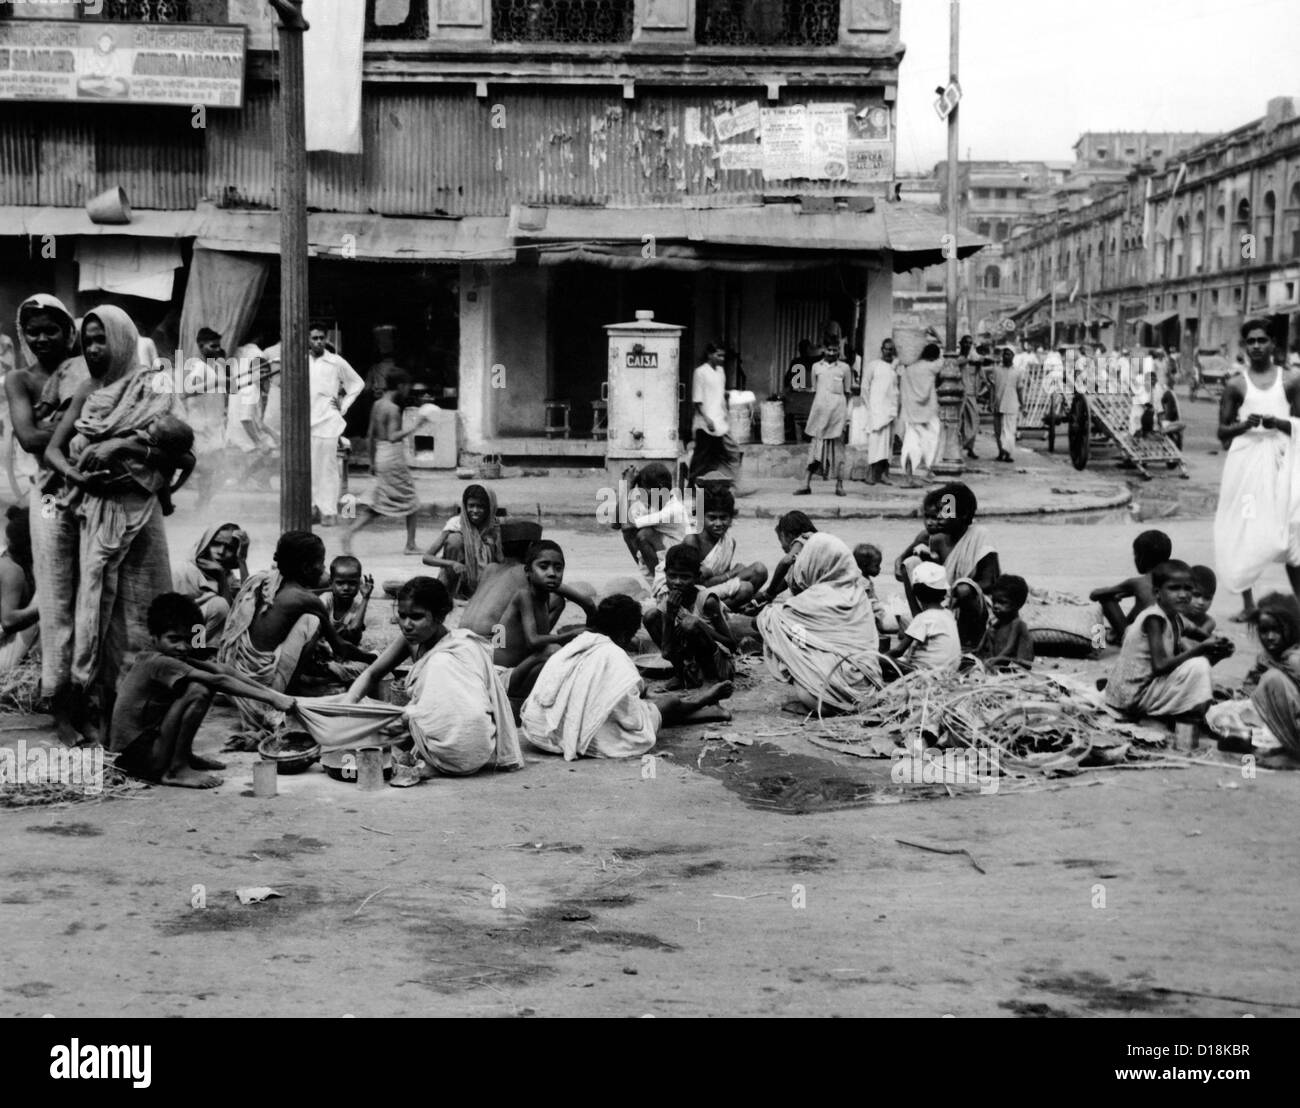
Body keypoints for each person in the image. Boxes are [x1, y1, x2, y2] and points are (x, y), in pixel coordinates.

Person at [45, 306, 182, 738]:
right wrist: (76, 474)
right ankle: (101, 709)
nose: (94, 348)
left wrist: (121, 444)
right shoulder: (87, 389)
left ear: (122, 339)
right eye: (88, 341)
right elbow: (53, 449)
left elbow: (177, 451)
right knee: (99, 612)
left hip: (141, 512)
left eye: (102, 338)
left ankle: (153, 712)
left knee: (148, 607)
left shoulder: (152, 385)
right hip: (96, 511)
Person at [343, 577, 523, 779]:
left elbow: (460, 715)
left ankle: (426, 757)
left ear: (439, 617)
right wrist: (346, 707)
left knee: (383, 724)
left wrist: (394, 718)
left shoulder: (455, 652)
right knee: (368, 714)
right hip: (473, 752)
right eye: (402, 616)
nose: (407, 624)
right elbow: (372, 673)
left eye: (417, 617)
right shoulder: (412, 640)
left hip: (465, 746)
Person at [110, 594, 297, 789]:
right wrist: (270, 698)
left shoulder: (168, 655)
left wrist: (275, 696)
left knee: (201, 681)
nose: (182, 647)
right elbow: (219, 680)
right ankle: (176, 769)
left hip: (148, 749)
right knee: (200, 689)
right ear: (154, 637)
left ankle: (184, 757)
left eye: (188, 640)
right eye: (173, 639)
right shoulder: (158, 662)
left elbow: (223, 670)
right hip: (137, 762)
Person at [7, 295, 86, 744]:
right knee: (56, 603)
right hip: (52, 497)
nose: (41, 338)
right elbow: (28, 437)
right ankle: (62, 712)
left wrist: (55, 426)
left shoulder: (84, 372)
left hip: (92, 492)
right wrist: (78, 425)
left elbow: (47, 433)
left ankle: (95, 698)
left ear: (67, 332)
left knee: (93, 599)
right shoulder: (19, 379)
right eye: (33, 330)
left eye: (50, 330)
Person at [522, 594, 734, 761]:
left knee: (647, 704)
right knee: (666, 704)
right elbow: (632, 720)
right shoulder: (614, 654)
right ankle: (703, 703)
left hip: (541, 731)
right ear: (624, 635)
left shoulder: (574, 645)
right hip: (589, 737)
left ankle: (707, 710)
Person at [218, 530, 374, 749]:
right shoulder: (307, 600)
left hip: (238, 685)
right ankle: (282, 700)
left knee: (306, 626)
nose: (323, 568)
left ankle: (291, 686)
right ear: (306, 568)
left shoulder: (267, 581)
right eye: (321, 563)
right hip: (261, 695)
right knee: (312, 622)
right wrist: (373, 660)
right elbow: (341, 648)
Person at [1213, 319, 1300, 620]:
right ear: (1245, 346)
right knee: (1246, 524)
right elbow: (1222, 433)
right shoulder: (1236, 384)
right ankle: (1248, 604)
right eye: (1250, 341)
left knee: (1293, 526)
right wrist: (1242, 425)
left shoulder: (1290, 381)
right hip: (1247, 463)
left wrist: (1279, 424)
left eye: (1262, 340)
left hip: (1282, 461)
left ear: (1274, 344)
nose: (1256, 346)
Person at [758, 532, 880, 713]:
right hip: (868, 691)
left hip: (823, 699)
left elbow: (769, 620)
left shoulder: (813, 598)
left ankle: (815, 700)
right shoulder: (859, 593)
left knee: (777, 625)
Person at [1104, 560, 1234, 729]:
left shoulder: (1177, 617)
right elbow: (1160, 666)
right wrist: (1201, 649)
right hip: (1130, 696)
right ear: (1158, 593)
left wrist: (1221, 645)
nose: (1183, 594)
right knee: (1198, 664)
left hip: (1143, 689)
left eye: (1188, 589)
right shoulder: (1154, 619)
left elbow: (1201, 635)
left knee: (1198, 661)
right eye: (1174, 588)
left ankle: (1181, 712)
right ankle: (1180, 715)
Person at [895, 482, 999, 652]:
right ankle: (921, 625)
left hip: (967, 606)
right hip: (938, 602)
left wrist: (956, 591)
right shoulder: (933, 537)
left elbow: (989, 581)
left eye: (947, 512)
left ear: (964, 515)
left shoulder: (980, 535)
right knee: (911, 564)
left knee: (965, 589)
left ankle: (966, 645)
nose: (941, 517)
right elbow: (901, 564)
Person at [343, 367, 428, 555]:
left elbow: (370, 434)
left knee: (380, 502)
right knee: (411, 500)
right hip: (392, 457)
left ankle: (350, 532)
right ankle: (411, 545)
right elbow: (392, 436)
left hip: (381, 456)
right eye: (407, 386)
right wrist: (416, 425)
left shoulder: (378, 404)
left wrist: (372, 461)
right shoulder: (394, 409)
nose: (407, 390)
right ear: (400, 386)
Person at [498, 539, 594, 700]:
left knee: (559, 602)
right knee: (552, 650)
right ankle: (518, 699)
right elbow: (533, 641)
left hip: (517, 667)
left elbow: (589, 605)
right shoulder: (524, 595)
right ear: (528, 571)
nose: (552, 573)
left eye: (558, 568)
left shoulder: (544, 596)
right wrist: (569, 636)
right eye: (543, 567)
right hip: (500, 675)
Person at [644, 543, 735, 690]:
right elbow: (666, 652)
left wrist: (700, 626)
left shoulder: (707, 600)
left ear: (697, 577)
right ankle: (682, 675)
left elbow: (731, 644)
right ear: (665, 574)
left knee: (690, 624)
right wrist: (669, 617)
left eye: (685, 577)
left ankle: (708, 679)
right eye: (672, 576)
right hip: (690, 662)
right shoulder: (667, 597)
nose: (677, 582)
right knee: (650, 616)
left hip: (718, 666)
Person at [308, 325, 364, 526]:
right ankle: (313, 507)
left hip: (328, 421)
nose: (318, 342)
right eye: (314, 338)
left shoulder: (335, 361)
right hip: (307, 422)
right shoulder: (302, 361)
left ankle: (329, 511)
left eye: (321, 338)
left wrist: (343, 405)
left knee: (328, 468)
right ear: (308, 339)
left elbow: (357, 383)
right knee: (310, 469)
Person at [1238, 593, 1300, 768]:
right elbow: (1250, 687)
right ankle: (1284, 746)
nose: (1270, 637)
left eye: (1277, 630)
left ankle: (1294, 756)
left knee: (1272, 680)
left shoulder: (1295, 659)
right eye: (1264, 630)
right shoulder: (1269, 657)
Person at [681, 487, 767, 610]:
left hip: (716, 590)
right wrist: (733, 573)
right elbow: (694, 583)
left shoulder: (729, 542)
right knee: (745, 589)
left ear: (731, 518)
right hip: (695, 595)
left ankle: (726, 608)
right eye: (712, 518)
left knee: (760, 570)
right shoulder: (693, 540)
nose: (718, 523)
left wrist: (730, 575)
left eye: (723, 518)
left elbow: (721, 576)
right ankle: (710, 612)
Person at [299, 554, 375, 689]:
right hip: (322, 652)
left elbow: (354, 631)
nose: (346, 588)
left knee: (368, 668)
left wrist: (365, 599)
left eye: (352, 583)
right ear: (331, 583)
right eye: (340, 583)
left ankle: (326, 676)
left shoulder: (358, 606)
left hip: (343, 656)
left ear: (359, 584)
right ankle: (325, 676)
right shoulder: (325, 600)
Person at [1089, 529, 1172, 644]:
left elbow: (1094, 595)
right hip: (1169, 635)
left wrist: (1112, 594)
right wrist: (1123, 593)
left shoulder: (1136, 582)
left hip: (1139, 641)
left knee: (1106, 599)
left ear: (1142, 557)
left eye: (1135, 555)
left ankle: (1106, 640)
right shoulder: (1173, 578)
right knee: (1143, 604)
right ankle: (1114, 634)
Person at [618, 462, 690, 594]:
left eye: (644, 491)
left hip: (682, 562)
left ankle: (662, 587)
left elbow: (627, 525)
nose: (641, 496)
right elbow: (617, 524)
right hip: (666, 556)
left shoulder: (674, 509)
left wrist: (627, 486)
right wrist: (626, 486)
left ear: (660, 488)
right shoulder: (652, 505)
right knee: (630, 534)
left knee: (644, 534)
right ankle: (658, 584)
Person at [421, 483, 503, 599]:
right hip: (458, 580)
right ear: (465, 506)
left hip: (487, 583)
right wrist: (452, 563)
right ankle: (453, 594)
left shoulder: (494, 525)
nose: (475, 510)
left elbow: (501, 559)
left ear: (490, 507)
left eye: (481, 506)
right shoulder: (455, 524)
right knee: (455, 540)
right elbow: (427, 557)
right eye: (471, 506)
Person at [173, 521, 246, 644]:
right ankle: (195, 649)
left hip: (204, 637)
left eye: (229, 548)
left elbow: (245, 605)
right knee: (219, 605)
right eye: (216, 544)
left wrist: (242, 560)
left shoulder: (225, 573)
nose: (221, 551)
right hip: (182, 636)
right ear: (206, 543)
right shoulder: (186, 571)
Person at [886, 562, 961, 678]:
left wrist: (878, 657)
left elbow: (899, 650)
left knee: (886, 662)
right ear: (944, 592)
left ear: (916, 592)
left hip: (926, 674)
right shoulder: (948, 614)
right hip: (949, 671)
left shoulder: (923, 619)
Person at [796, 339, 851, 497]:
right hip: (820, 415)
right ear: (824, 350)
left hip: (837, 415)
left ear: (839, 351)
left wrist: (846, 417)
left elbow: (847, 392)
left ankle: (839, 485)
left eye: (835, 350)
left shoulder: (844, 368)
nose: (832, 353)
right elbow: (815, 390)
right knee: (815, 450)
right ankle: (806, 484)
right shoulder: (816, 367)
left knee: (838, 451)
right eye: (829, 350)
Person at [687, 341, 741, 486]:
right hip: (706, 422)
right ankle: (692, 487)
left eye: (723, 356)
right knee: (702, 457)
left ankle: (731, 484)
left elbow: (720, 394)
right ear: (709, 355)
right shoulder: (700, 372)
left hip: (719, 420)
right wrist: (707, 419)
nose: (722, 359)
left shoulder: (720, 372)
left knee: (728, 453)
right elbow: (697, 400)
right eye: (718, 355)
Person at [0, 505, 38, 676]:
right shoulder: (13, 571)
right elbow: (8, 621)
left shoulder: (8, 559)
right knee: (41, 619)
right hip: (3, 660)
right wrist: (40, 607)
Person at [898, 341, 942, 486]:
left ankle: (908, 477)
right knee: (932, 443)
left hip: (911, 413)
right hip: (928, 413)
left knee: (910, 445)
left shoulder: (908, 369)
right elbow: (947, 360)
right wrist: (939, 338)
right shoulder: (931, 367)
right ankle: (930, 471)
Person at [752, 511, 817, 606]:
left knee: (761, 619)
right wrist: (767, 595)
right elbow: (786, 580)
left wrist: (769, 591)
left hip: (819, 601)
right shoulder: (806, 552)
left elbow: (785, 562)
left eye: (780, 540)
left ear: (787, 535)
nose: (781, 547)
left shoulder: (805, 538)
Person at [860, 337, 899, 484]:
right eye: (886, 348)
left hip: (890, 412)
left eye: (891, 349)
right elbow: (865, 387)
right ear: (882, 349)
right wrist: (870, 407)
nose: (889, 352)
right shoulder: (873, 365)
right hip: (876, 412)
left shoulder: (894, 368)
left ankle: (884, 475)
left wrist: (894, 408)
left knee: (888, 445)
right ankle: (870, 475)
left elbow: (895, 390)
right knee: (875, 444)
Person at [976, 574, 1034, 672]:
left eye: (1002, 602)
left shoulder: (1018, 624)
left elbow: (1009, 648)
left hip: (1018, 668)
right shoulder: (997, 624)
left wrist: (994, 661)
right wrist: (975, 653)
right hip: (1001, 665)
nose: (995, 606)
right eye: (994, 601)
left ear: (1018, 605)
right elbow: (981, 645)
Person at [987, 347, 1025, 463]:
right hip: (998, 403)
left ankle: (1007, 453)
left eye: (1009, 354)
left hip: (1011, 403)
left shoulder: (1017, 372)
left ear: (1013, 356)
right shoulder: (996, 370)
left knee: (1009, 431)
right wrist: (990, 401)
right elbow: (992, 388)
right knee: (998, 430)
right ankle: (1000, 452)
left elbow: (1019, 389)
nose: (1006, 356)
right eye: (1005, 354)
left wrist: (1022, 403)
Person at [956, 334, 983, 461]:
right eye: (965, 342)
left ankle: (970, 447)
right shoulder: (957, 357)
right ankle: (957, 448)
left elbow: (980, 375)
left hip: (970, 393)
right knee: (958, 422)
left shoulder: (974, 357)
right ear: (960, 343)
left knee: (974, 420)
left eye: (970, 343)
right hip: (958, 393)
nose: (967, 345)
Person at [1183, 566, 1217, 643]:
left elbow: (1200, 637)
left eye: (1207, 598)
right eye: (1196, 595)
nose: (1201, 602)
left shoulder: (1207, 622)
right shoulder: (1173, 615)